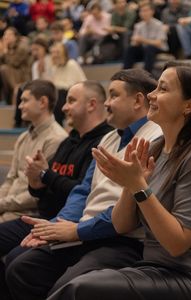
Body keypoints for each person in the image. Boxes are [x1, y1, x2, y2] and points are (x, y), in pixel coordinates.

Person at [46, 62, 191, 300]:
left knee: (80, 289)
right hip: (157, 268)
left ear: (190, 105)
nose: (151, 96)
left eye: (162, 90)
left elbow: (177, 244)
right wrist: (129, 185)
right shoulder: (155, 148)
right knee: (77, 284)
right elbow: (123, 224)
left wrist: (138, 186)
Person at [4, 69, 162, 300]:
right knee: (22, 268)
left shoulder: (155, 138)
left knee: (69, 285)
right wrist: (58, 225)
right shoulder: (109, 138)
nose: (106, 103)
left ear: (138, 100)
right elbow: (83, 191)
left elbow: (131, 213)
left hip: (124, 240)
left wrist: (76, 230)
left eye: (113, 95)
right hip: (86, 231)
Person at [0, 80, 67, 223]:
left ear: (43, 102)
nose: (20, 106)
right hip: (9, 208)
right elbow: (11, 179)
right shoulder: (23, 137)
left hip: (28, 215)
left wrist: (2, 204)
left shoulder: (56, 139)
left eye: (24, 100)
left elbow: (39, 194)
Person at [123, 3, 169, 74]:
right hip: (144, 49)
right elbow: (134, 43)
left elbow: (159, 43)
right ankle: (125, 74)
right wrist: (135, 41)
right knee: (130, 49)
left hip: (159, 49)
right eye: (141, 11)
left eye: (146, 11)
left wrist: (142, 40)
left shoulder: (159, 24)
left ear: (152, 11)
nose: (143, 13)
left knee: (149, 48)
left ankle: (146, 74)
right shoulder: (138, 26)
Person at [0, 27, 31, 104]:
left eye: (9, 34)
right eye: (5, 34)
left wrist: (5, 51)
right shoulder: (7, 47)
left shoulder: (22, 47)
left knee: (3, 69)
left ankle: (15, 91)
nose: (6, 37)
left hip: (22, 75)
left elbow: (14, 63)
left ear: (16, 37)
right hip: (9, 76)